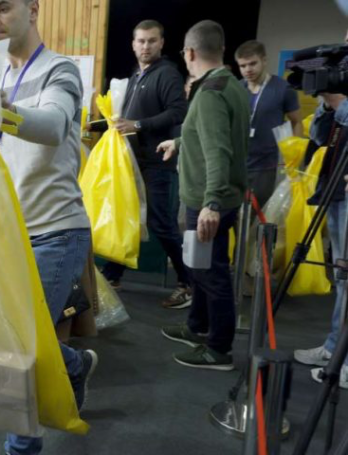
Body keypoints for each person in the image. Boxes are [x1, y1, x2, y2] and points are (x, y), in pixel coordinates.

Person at [0, 1, 97, 453]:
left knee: (20, 350)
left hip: (56, 231)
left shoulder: (59, 69)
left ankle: (20, 449)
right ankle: (73, 365)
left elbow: (51, 127)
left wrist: (5, 111)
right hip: (7, 233)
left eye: (3, 8)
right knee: (20, 341)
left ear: (33, 10)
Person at [158, 20, 249, 371]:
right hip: (219, 197)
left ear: (190, 52)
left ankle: (218, 348)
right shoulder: (229, 84)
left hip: (208, 201)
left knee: (211, 273)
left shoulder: (209, 92)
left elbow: (219, 151)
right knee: (201, 267)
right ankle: (197, 327)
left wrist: (210, 203)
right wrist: (180, 142)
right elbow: (213, 136)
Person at [92, 20, 190, 308]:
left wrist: (137, 124)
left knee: (162, 224)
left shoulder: (167, 74)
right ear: (133, 44)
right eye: (141, 41)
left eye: (151, 41)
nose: (145, 46)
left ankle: (188, 284)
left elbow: (178, 112)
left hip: (156, 164)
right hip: (132, 163)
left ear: (161, 43)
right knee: (128, 218)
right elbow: (127, 118)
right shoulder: (137, 76)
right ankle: (113, 274)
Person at [293, 41, 348, 390]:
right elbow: (319, 136)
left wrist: (342, 104)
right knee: (342, 277)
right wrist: (329, 105)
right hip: (337, 191)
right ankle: (333, 348)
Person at [235, 40, 302, 208]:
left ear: (264, 60)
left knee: (258, 215)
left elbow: (297, 121)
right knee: (232, 216)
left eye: (252, 64)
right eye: (242, 66)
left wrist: (294, 156)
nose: (248, 70)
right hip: (235, 163)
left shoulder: (283, 88)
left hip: (265, 165)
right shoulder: (235, 88)